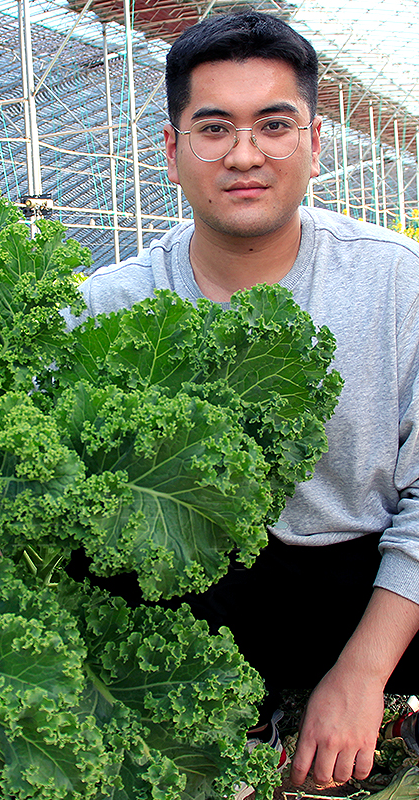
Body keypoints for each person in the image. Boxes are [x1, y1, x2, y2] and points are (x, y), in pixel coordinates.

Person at [69, 9, 419, 794]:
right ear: (172, 150)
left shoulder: (398, 283)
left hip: (358, 581)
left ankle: (387, 711)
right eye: (214, 127)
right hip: (199, 600)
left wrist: (361, 678)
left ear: (315, 144)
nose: (245, 154)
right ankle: (232, 717)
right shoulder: (108, 305)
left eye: (274, 124)